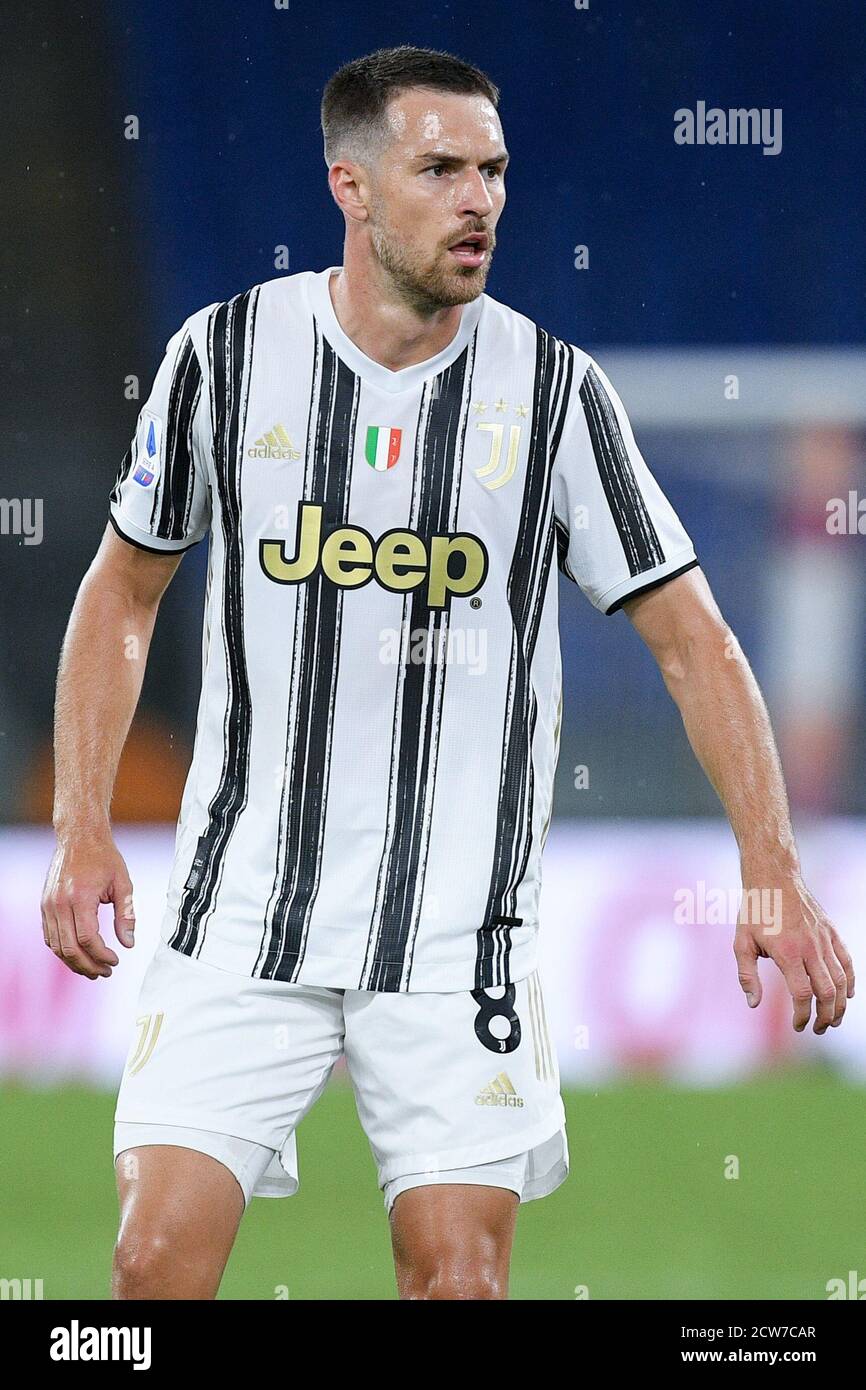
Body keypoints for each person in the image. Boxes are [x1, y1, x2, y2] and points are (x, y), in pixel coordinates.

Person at [41, 44, 854, 1301]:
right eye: (440, 170)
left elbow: (694, 640)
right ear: (351, 188)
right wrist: (82, 816)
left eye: (493, 171)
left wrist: (773, 868)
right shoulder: (225, 357)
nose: (479, 200)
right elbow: (121, 589)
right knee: (151, 1269)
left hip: (455, 930)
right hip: (240, 906)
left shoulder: (554, 395)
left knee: (457, 1278)